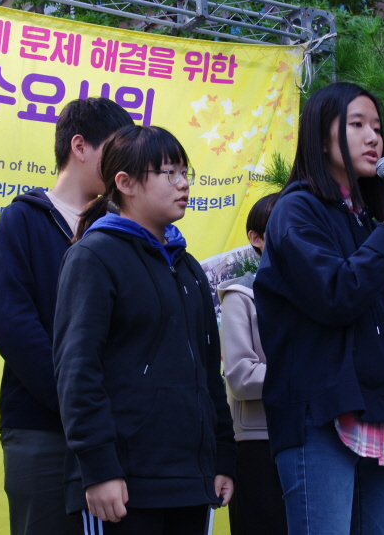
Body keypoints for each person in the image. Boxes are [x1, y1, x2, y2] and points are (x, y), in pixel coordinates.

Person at [254, 82, 384, 535]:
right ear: (321, 137)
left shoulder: (365, 219)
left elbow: (362, 316)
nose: (372, 138)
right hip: (321, 413)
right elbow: (336, 296)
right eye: (357, 124)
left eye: (377, 128)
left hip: (381, 408)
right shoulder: (296, 210)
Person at [53, 125, 236, 535]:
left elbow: (210, 373)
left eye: (185, 172)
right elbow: (77, 370)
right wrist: (99, 467)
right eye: (169, 172)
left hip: (191, 480)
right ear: (125, 183)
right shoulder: (94, 256)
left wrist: (222, 456)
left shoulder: (188, 268)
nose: (183, 183)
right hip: (122, 481)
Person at [0, 98, 133, 535]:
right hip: (42, 428)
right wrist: (77, 404)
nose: (125, 164)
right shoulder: (22, 219)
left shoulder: (124, 228)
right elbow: (14, 325)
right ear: (79, 146)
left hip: (116, 432)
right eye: (115, 149)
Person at [217, 193, 286, 535]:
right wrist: (304, 373)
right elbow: (241, 377)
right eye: (281, 227)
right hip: (258, 441)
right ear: (255, 239)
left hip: (313, 434)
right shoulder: (240, 295)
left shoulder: (317, 293)